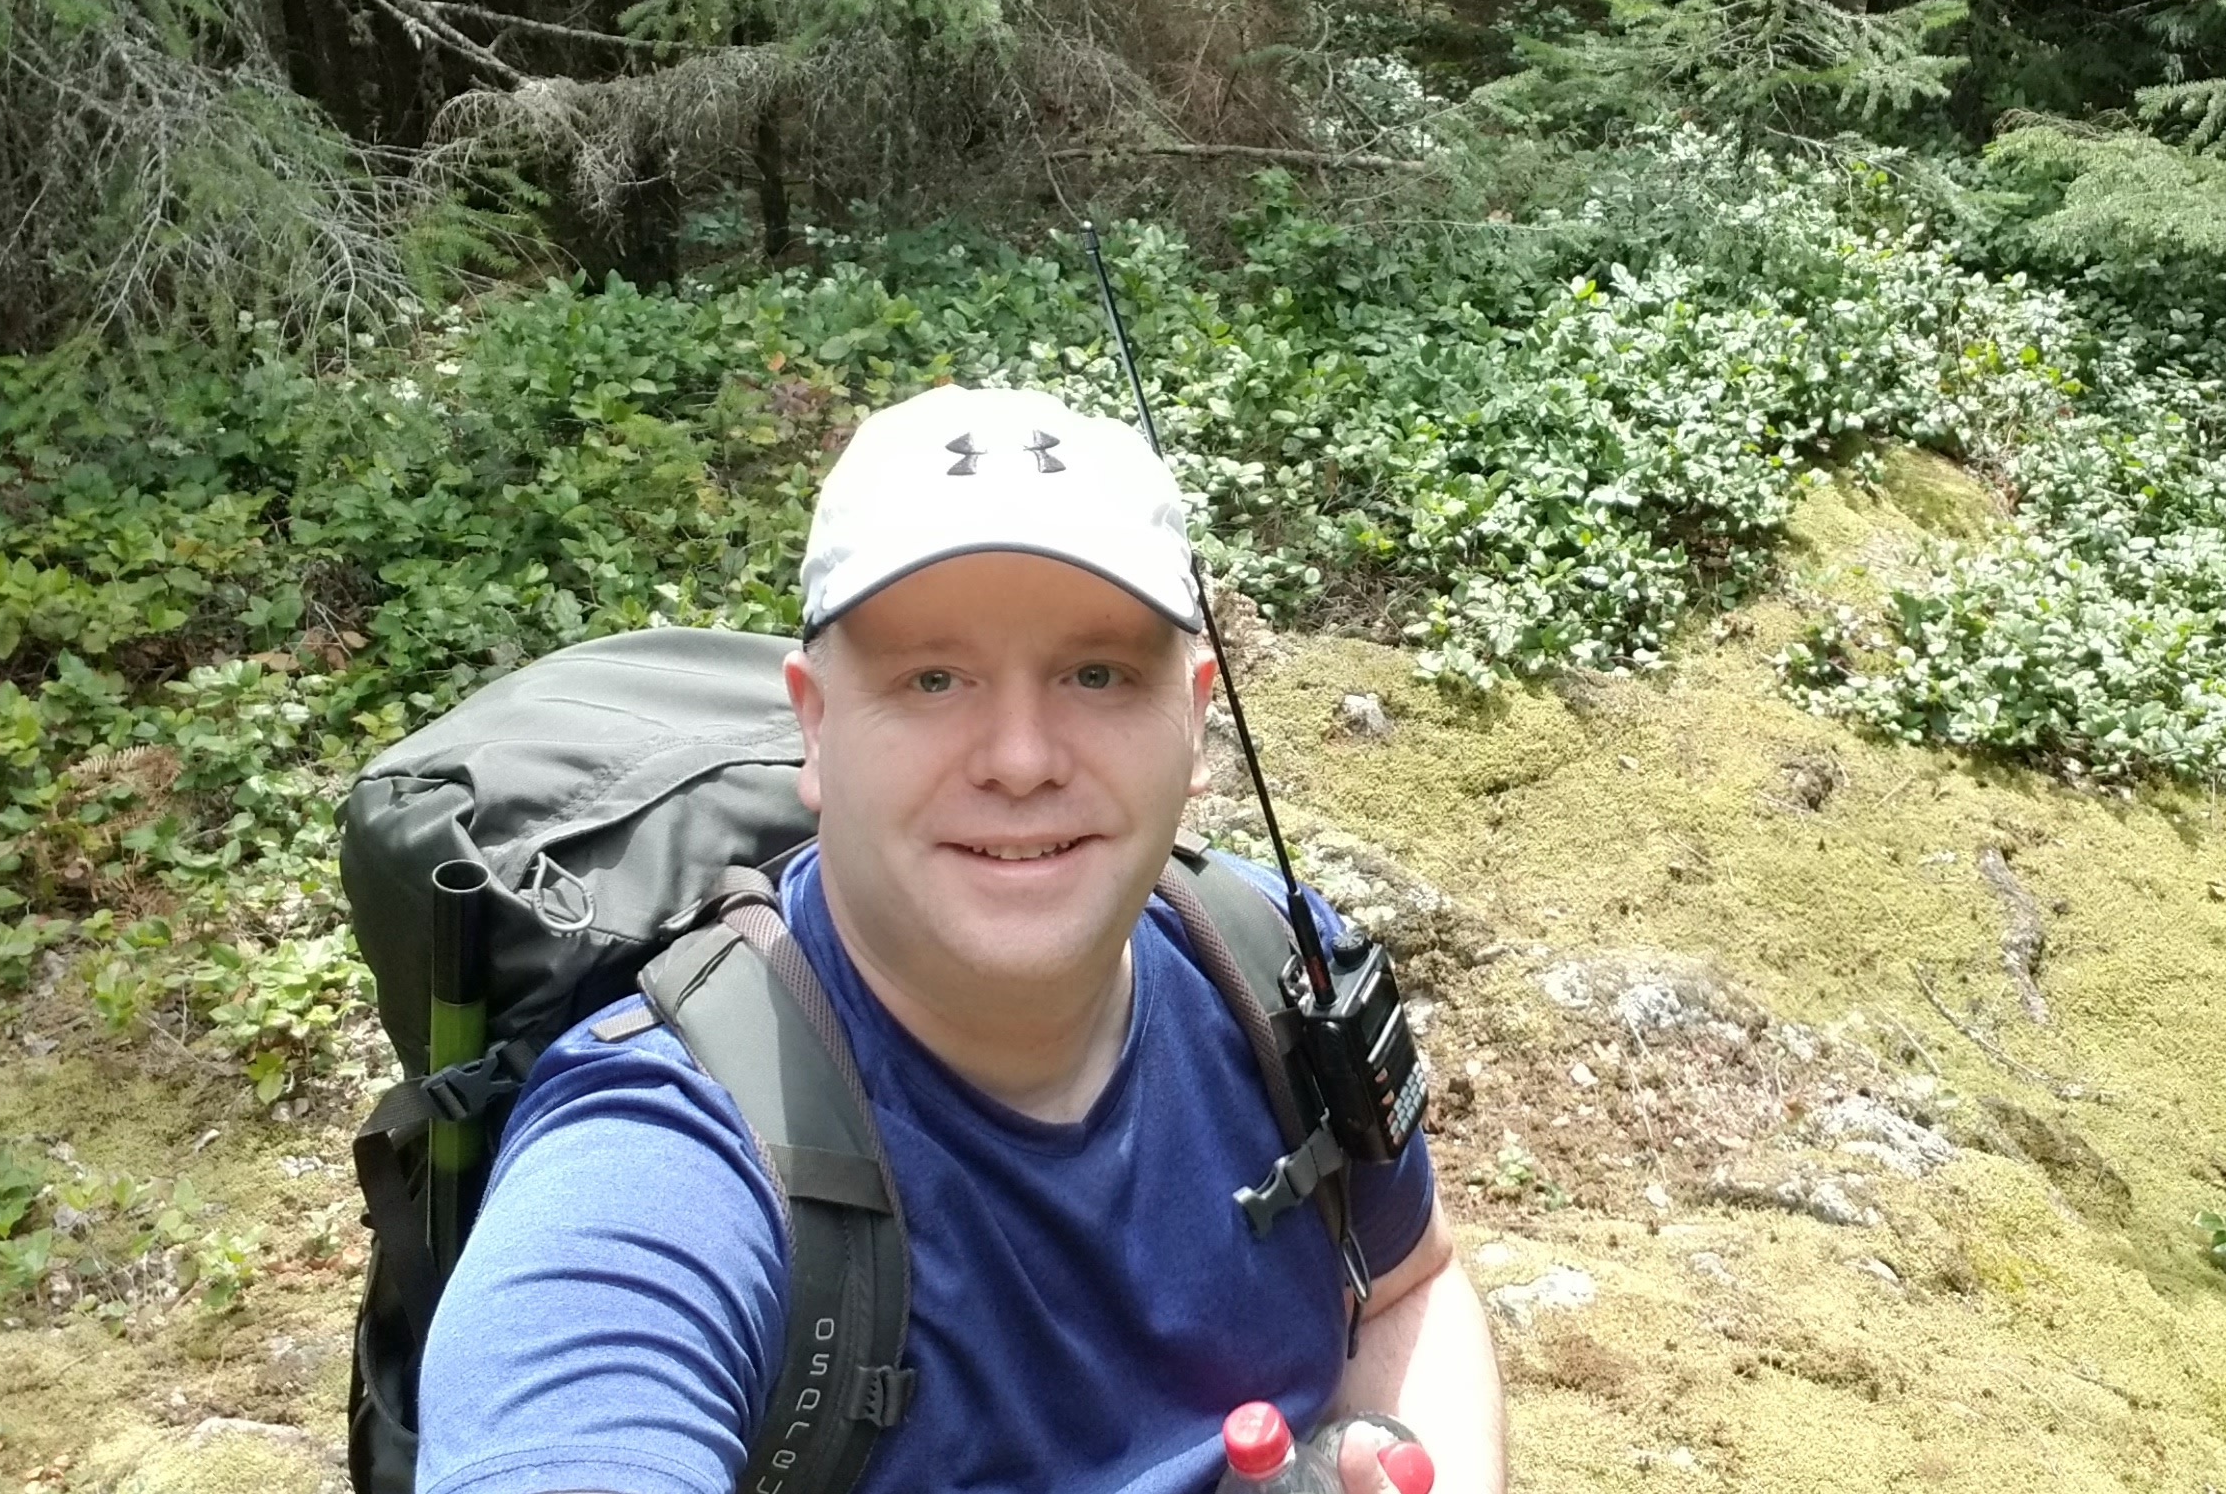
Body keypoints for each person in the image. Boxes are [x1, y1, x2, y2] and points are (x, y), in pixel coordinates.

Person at [413, 384, 1508, 1494]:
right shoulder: (665, 1148)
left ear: (1194, 718)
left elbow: (1407, 1283)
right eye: (933, 679)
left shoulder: (1270, 967)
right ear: (816, 725)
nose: (1021, 759)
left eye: (1096, 674)